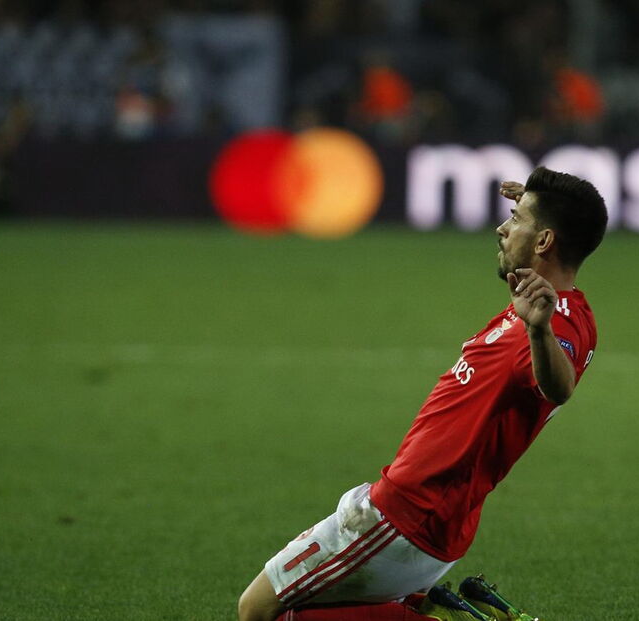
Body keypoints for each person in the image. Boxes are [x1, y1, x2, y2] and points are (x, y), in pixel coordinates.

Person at [238, 167, 608, 621]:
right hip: (439, 522)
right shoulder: (574, 312)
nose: (502, 228)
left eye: (516, 220)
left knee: (258, 610)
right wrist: (532, 203)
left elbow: (558, 386)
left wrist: (537, 331)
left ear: (545, 241)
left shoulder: (547, 328)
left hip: (404, 515)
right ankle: (436, 610)